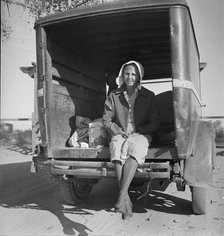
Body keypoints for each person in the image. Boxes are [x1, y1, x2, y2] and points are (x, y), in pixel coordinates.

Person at [103, 60, 159, 220]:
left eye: (133, 74)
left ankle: (122, 196)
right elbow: (107, 120)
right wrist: (117, 130)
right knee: (116, 146)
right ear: (122, 75)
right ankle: (125, 201)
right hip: (120, 132)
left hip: (141, 133)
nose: (130, 77)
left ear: (139, 76)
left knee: (136, 148)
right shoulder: (114, 95)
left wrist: (141, 130)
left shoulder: (149, 95)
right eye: (127, 73)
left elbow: (155, 122)